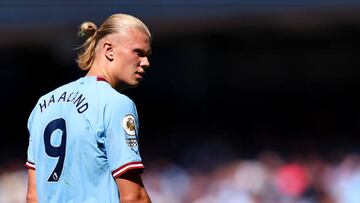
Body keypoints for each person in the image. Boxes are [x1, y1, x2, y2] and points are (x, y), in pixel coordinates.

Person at [25, 13, 152, 203]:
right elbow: (134, 197)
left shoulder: (43, 104)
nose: (146, 63)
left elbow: (33, 196)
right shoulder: (116, 103)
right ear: (109, 49)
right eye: (139, 53)